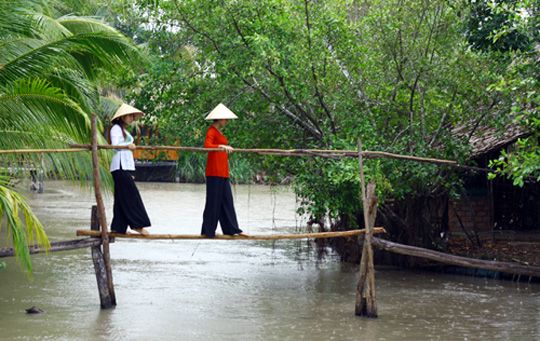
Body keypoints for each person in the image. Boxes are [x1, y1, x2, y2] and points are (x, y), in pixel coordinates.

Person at [201, 103, 246, 238]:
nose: (226, 121)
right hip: (214, 171)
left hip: (222, 171)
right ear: (219, 119)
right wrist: (221, 145)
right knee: (213, 201)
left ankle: (231, 229)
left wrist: (222, 145)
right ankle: (208, 230)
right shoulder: (211, 131)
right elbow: (207, 146)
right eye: (225, 119)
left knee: (226, 200)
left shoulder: (219, 132)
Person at [108, 103, 151, 235]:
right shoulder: (115, 129)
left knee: (121, 196)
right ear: (122, 117)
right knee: (131, 195)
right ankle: (137, 224)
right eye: (130, 116)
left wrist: (128, 145)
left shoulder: (124, 131)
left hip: (125, 165)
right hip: (120, 166)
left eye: (133, 116)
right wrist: (128, 145)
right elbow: (115, 146)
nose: (132, 118)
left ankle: (118, 227)